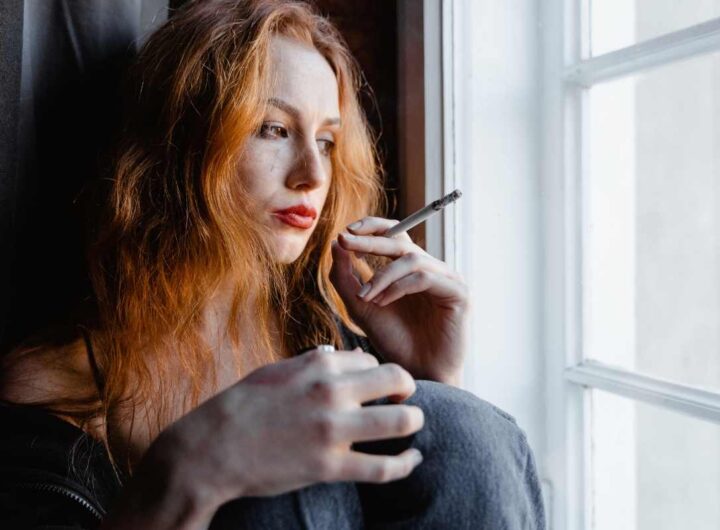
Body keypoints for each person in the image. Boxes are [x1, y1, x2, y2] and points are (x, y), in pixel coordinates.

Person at [0, 0, 546, 528]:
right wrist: (186, 471)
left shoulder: (331, 344)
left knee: (462, 423)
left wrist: (430, 378)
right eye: (274, 129)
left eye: (327, 141)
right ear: (181, 141)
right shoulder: (60, 389)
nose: (313, 175)